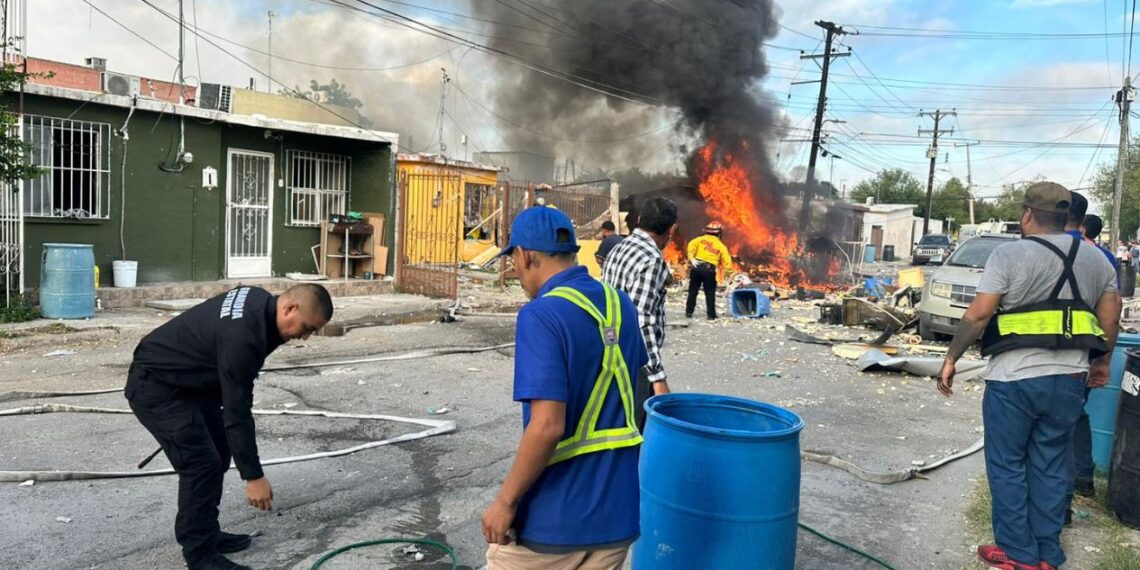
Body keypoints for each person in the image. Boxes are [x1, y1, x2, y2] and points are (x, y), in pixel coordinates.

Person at [938, 182, 1118, 570]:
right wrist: (1102, 363)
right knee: (1051, 464)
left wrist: (951, 358)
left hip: (1014, 379)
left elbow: (978, 315)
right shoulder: (1097, 259)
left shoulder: (1009, 253)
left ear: (1027, 214)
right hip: (1070, 379)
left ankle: (1019, 552)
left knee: (1007, 464)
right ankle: (1047, 553)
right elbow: (1110, 316)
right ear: (1068, 216)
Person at [482, 207, 647, 570]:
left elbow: (547, 426)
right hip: (616, 519)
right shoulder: (620, 305)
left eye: (514, 260)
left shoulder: (541, 315)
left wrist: (505, 502)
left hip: (554, 524)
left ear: (525, 254)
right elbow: (641, 392)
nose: (516, 271)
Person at [127, 284, 334, 570]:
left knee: (220, 452)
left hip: (191, 383)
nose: (306, 336)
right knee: (201, 464)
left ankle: (207, 532)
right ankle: (200, 556)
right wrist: (254, 476)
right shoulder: (244, 337)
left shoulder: (260, 302)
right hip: (158, 387)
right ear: (290, 308)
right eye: (307, 327)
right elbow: (237, 411)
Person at [1062, 202, 1122, 516]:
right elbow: (1112, 311)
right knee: (1076, 413)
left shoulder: (1045, 248)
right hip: (1087, 350)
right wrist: (1103, 359)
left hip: (1050, 352)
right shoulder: (1103, 257)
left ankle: (1061, 502)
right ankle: (1083, 478)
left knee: (1055, 428)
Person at [602, 196, 678, 430]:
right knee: (635, 431)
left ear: (640, 220)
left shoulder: (619, 248)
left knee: (616, 426)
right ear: (671, 230)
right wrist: (658, 377)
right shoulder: (651, 259)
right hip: (633, 361)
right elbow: (642, 320)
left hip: (609, 350)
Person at [685, 221, 733, 320]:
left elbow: (690, 245)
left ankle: (689, 312)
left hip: (696, 267)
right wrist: (729, 272)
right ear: (719, 233)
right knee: (710, 293)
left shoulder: (700, 239)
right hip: (709, 270)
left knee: (693, 291)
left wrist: (692, 258)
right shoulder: (721, 246)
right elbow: (727, 261)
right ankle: (711, 315)